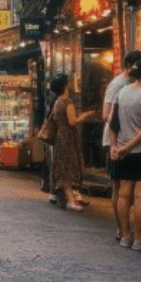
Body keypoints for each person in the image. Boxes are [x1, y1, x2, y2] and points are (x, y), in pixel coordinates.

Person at [108, 57, 141, 251]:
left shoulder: (122, 93)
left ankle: (125, 235)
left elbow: (113, 124)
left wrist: (116, 147)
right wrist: (127, 148)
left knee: (123, 194)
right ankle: (139, 239)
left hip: (123, 150)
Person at [102, 51, 141, 221]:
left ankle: (126, 229)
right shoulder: (118, 84)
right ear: (129, 66)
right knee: (120, 186)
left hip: (127, 141)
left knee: (126, 188)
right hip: (116, 141)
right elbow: (106, 114)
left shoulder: (132, 84)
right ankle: (121, 229)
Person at [49, 74, 96, 211]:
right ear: (65, 85)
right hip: (68, 138)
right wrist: (86, 116)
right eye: (68, 82)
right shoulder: (67, 101)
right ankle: (70, 200)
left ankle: (69, 197)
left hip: (60, 136)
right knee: (67, 169)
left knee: (63, 168)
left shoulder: (57, 101)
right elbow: (72, 122)